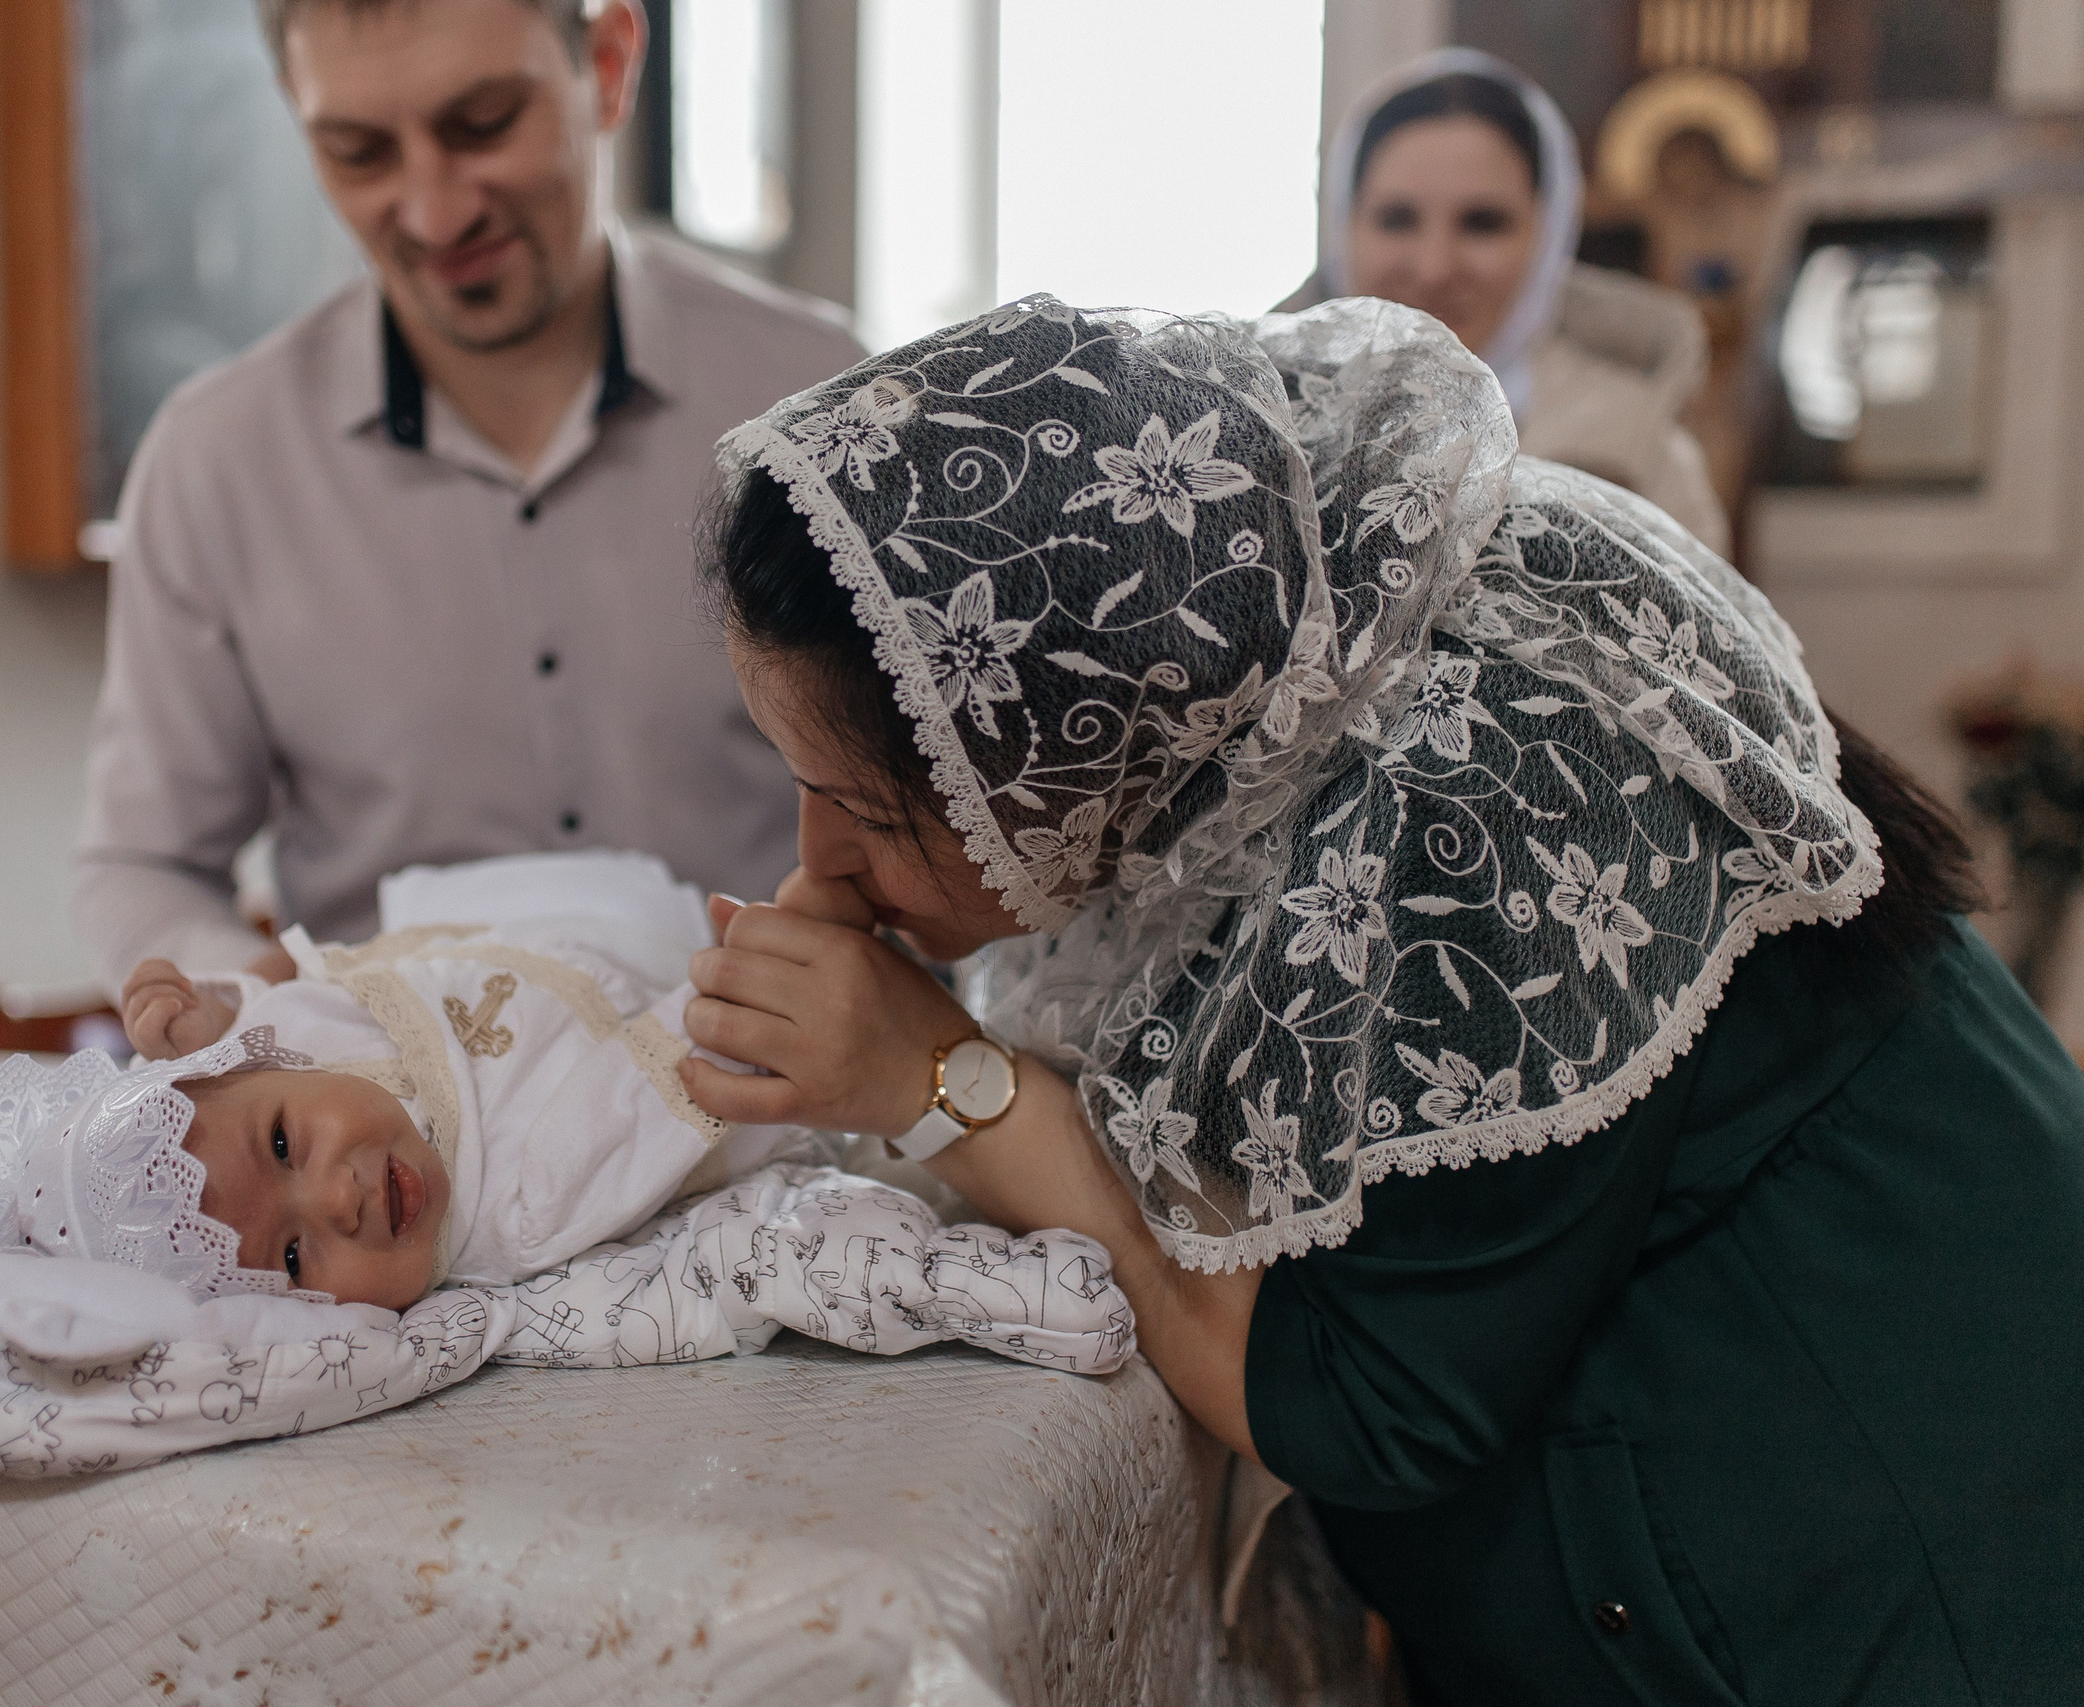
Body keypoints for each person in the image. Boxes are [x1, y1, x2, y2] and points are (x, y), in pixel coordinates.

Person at [677, 296, 2084, 1704]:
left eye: (862, 802)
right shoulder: (1276, 670)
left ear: (1067, 730)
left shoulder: (1479, 786)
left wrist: (946, 1083)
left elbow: (1355, 1396)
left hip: (1889, 1562)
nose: (815, 857)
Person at [73, 0, 864, 992]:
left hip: (783, 1118)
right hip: (396, 1128)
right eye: (360, 152)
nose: (435, 213)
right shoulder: (214, 461)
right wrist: (245, 990)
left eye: (483, 124)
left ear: (610, 62)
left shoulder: (825, 402)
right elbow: (143, 865)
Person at [0, 854, 820, 1310]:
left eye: (283, 1146)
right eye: (294, 1260)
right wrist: (760, 977)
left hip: (548, 917)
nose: (338, 1199)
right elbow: (671, 1080)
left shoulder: (279, 1054)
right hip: (661, 969)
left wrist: (209, 1009)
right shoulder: (520, 1206)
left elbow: (285, 995)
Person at [1298, 49, 1731, 552]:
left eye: (1483, 223)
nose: (1435, 268)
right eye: (1397, 219)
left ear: (1549, 237)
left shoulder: (1644, 456)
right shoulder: (1251, 429)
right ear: (1342, 226)